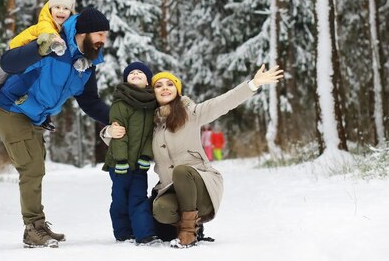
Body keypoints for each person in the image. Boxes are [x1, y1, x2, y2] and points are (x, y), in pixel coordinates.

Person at [0, 7, 112, 249]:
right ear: (83, 33)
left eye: (105, 35)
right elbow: (8, 61)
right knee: (32, 168)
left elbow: (89, 101)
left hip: (34, 115)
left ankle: (39, 225)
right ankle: (33, 229)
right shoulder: (52, 43)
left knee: (37, 166)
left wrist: (116, 117)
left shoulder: (86, 64)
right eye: (99, 34)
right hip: (9, 108)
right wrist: (38, 48)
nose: (102, 40)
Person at [150, 65, 283, 248]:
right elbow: (128, 141)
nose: (165, 88)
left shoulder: (192, 113)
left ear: (177, 90)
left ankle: (188, 233)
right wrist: (110, 132)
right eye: (159, 85)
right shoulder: (152, 125)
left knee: (182, 171)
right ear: (153, 93)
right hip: (172, 190)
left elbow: (223, 102)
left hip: (201, 188)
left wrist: (253, 84)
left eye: (169, 84)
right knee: (161, 209)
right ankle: (192, 225)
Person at [0, 0, 76, 127]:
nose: (61, 11)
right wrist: (57, 42)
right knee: (3, 75)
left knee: (42, 81)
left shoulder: (66, 29)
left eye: (65, 9)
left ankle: (42, 116)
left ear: (71, 12)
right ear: (50, 8)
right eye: (57, 7)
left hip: (37, 58)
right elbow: (48, 33)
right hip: (19, 51)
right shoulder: (45, 23)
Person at [102, 62, 161, 246]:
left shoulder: (152, 105)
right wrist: (121, 159)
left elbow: (151, 134)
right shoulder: (121, 103)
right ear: (126, 80)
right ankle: (123, 232)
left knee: (139, 198)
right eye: (131, 73)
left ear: (148, 81)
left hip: (139, 165)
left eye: (140, 73)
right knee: (120, 199)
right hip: (118, 164)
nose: (136, 74)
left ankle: (144, 234)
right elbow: (119, 133)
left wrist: (145, 156)